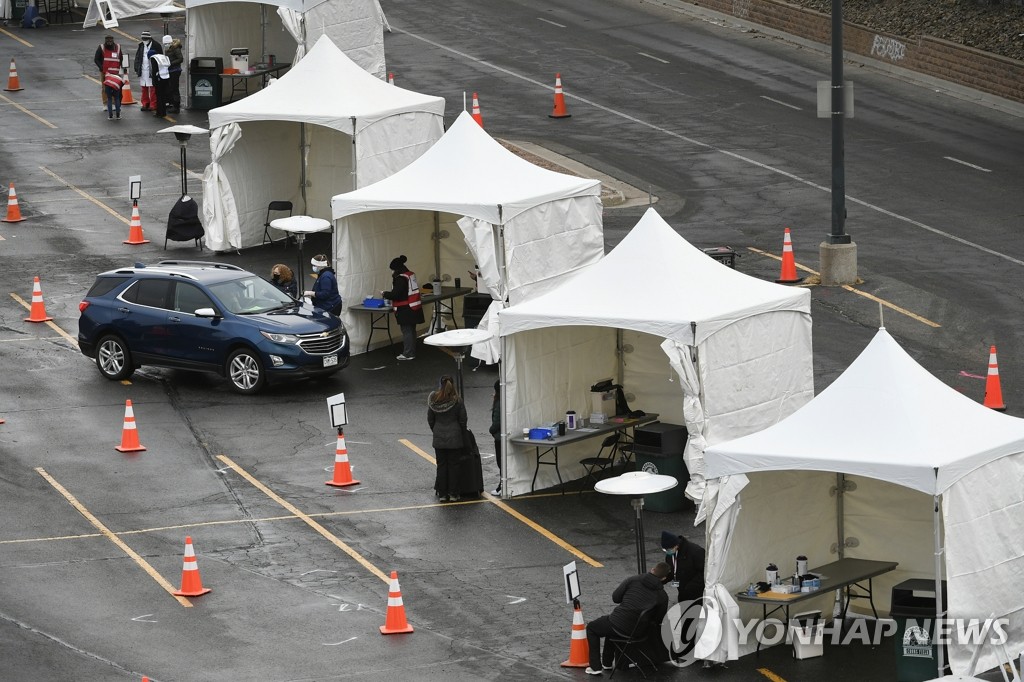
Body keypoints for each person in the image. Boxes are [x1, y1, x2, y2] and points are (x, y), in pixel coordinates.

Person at [585, 562, 671, 675]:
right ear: (664, 578)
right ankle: (607, 663)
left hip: (618, 622)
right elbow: (659, 619)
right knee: (611, 628)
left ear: (652, 569)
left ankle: (595, 667)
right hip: (639, 631)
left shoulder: (634, 579)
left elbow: (616, 598)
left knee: (592, 628)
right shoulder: (662, 596)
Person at [427, 375, 468, 503]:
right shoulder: (458, 401)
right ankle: (454, 494)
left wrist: (437, 430)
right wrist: (461, 433)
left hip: (439, 438)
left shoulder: (434, 400)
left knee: (441, 466)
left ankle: (443, 494)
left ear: (441, 384)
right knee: (454, 466)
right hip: (454, 438)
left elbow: (430, 419)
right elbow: (463, 420)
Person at [381, 254, 424, 361]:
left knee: (407, 331)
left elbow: (396, 294)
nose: (392, 272)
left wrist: (385, 294)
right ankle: (411, 351)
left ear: (396, 269)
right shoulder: (410, 275)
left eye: (392, 270)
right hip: (414, 306)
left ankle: (408, 353)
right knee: (411, 331)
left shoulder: (400, 278)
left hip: (405, 308)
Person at [660, 531, 706, 603]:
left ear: (676, 545)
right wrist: (659, 580)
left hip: (697, 594)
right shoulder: (670, 555)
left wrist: (689, 587)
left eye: (668, 549)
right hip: (682, 593)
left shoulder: (696, 551)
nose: (667, 552)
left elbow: (704, 572)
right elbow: (671, 571)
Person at [133, 30, 162, 112]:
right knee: (144, 87)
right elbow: (138, 57)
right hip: (143, 69)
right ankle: (145, 103)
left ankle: (153, 104)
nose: (144, 41)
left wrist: (159, 69)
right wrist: (136, 67)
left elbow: (161, 57)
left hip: (152, 70)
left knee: (153, 88)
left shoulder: (156, 45)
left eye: (145, 39)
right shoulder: (141, 45)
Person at [94, 35, 123, 110]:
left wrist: (120, 68)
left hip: (114, 72)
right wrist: (101, 68)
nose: (109, 42)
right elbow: (96, 59)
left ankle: (113, 103)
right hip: (104, 72)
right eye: (107, 40)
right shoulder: (101, 47)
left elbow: (121, 58)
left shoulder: (118, 47)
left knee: (114, 87)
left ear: (113, 40)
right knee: (105, 88)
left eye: (111, 40)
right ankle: (105, 104)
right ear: (105, 41)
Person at [162, 35, 183, 113]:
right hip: (170, 70)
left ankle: (176, 106)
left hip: (175, 70)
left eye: (166, 43)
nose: (165, 45)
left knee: (174, 88)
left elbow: (180, 59)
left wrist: (170, 63)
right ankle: (172, 103)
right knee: (170, 87)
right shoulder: (169, 48)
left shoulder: (175, 49)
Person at [149, 50, 172, 118]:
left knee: (159, 96)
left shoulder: (153, 58)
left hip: (159, 78)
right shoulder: (163, 57)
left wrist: (154, 81)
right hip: (166, 77)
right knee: (163, 96)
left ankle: (159, 113)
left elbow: (154, 71)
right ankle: (163, 112)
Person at [489, 379, 502, 495]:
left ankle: (501, 487)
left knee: (501, 462)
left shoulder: (499, 403)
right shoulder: (506, 400)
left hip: (499, 437)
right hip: (503, 436)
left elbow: (497, 420)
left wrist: (491, 430)